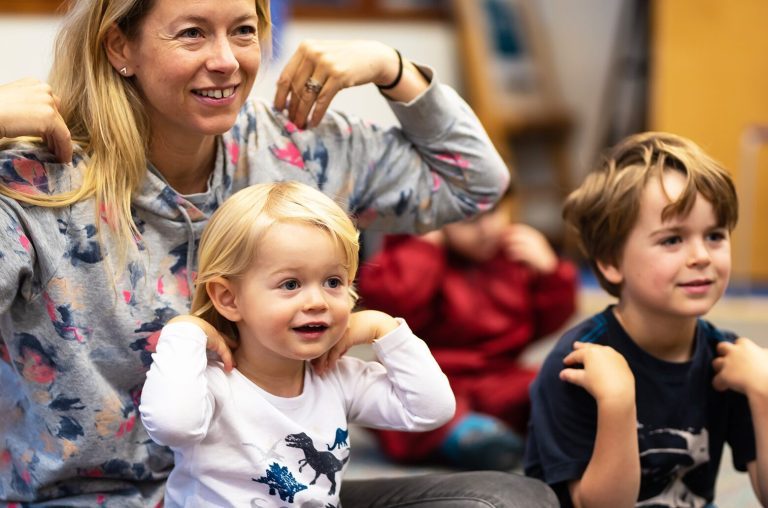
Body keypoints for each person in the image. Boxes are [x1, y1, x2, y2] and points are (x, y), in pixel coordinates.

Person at [0, 0, 564, 507]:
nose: (226, 61)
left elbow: (475, 185)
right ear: (121, 46)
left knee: (506, 498)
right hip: (91, 499)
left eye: (243, 31)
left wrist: (392, 68)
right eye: (192, 33)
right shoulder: (38, 180)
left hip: (271, 487)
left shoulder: (291, 147)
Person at [139, 181, 456, 506]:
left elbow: (430, 409)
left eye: (333, 282)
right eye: (290, 284)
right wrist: (186, 330)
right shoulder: (217, 384)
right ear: (229, 298)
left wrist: (384, 328)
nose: (317, 301)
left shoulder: (338, 378)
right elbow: (171, 426)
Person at [524, 132, 768, 507]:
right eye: (672, 240)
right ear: (611, 261)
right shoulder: (576, 364)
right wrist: (618, 403)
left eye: (715, 235)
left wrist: (765, 393)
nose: (701, 255)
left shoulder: (727, 362)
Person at [357, 193, 577, 470]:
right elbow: (391, 306)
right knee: (397, 406)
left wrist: (551, 273)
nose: (487, 228)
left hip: (498, 375)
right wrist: (423, 249)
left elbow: (546, 323)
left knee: (551, 384)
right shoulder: (417, 254)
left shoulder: (512, 256)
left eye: (494, 211)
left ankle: (512, 434)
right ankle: (468, 437)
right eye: (469, 220)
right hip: (429, 378)